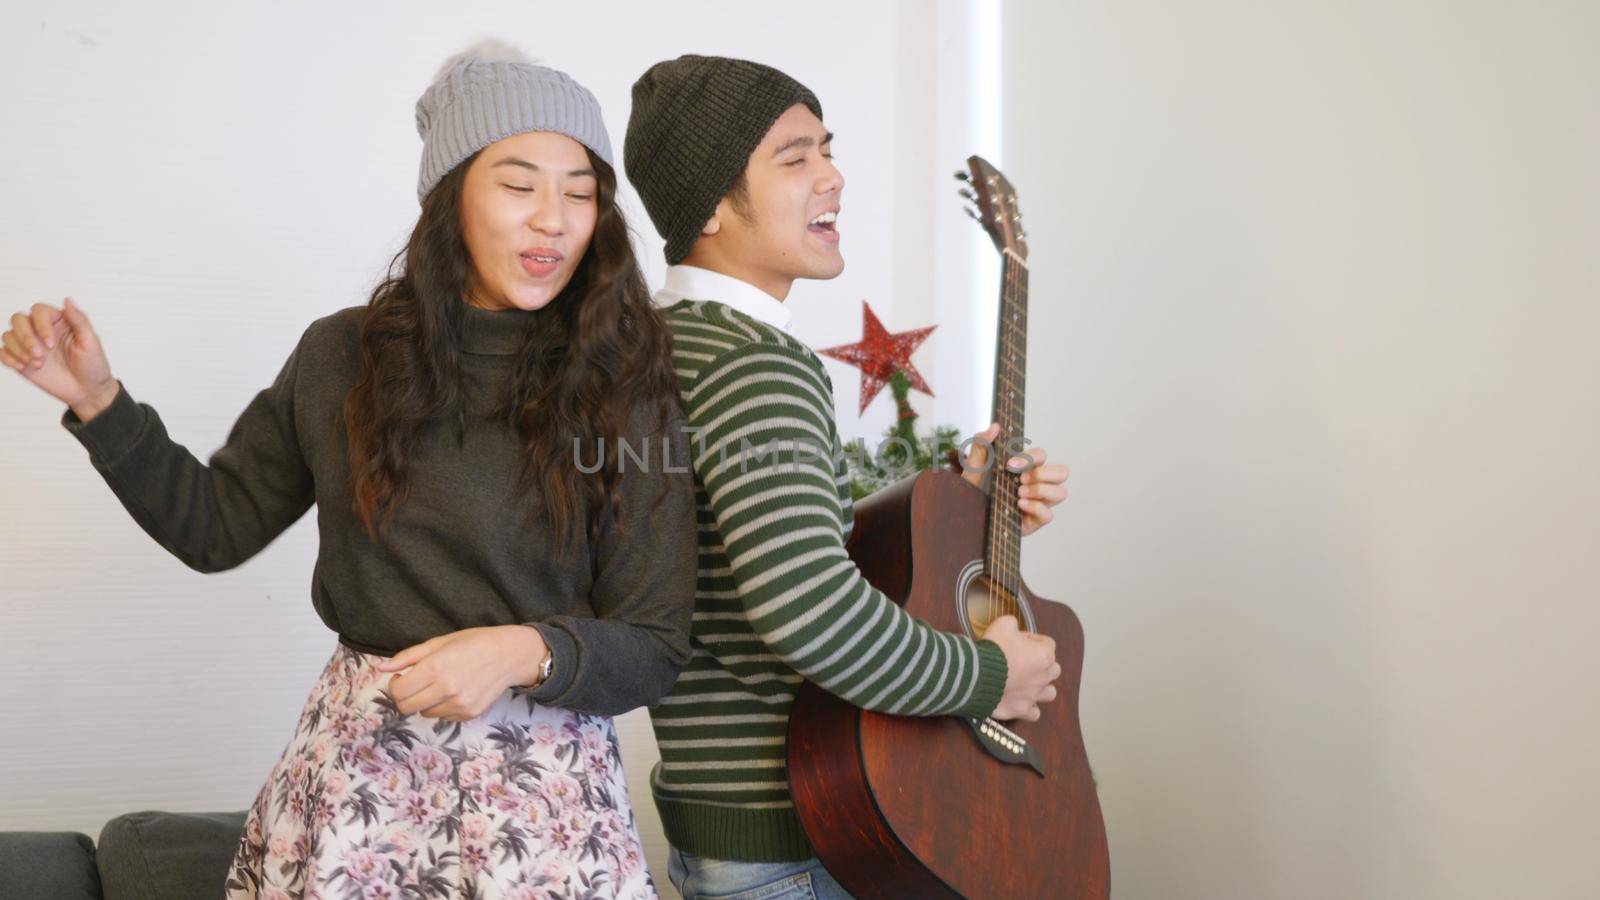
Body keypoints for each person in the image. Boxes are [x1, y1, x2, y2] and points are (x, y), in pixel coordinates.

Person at [2, 43, 693, 899]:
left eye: (580, 193)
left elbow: (656, 643)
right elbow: (216, 528)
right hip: (356, 797)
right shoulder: (343, 354)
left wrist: (525, 650)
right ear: (451, 201)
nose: (554, 218)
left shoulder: (628, 379)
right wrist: (104, 406)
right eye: (519, 186)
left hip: (547, 811)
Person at [621, 55, 1073, 900]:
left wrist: (958, 508)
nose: (833, 175)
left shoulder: (662, 345)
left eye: (826, 148)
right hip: (807, 839)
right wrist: (990, 677)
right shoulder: (758, 363)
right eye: (795, 158)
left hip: (730, 830)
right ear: (712, 204)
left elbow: (756, 544)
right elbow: (807, 608)